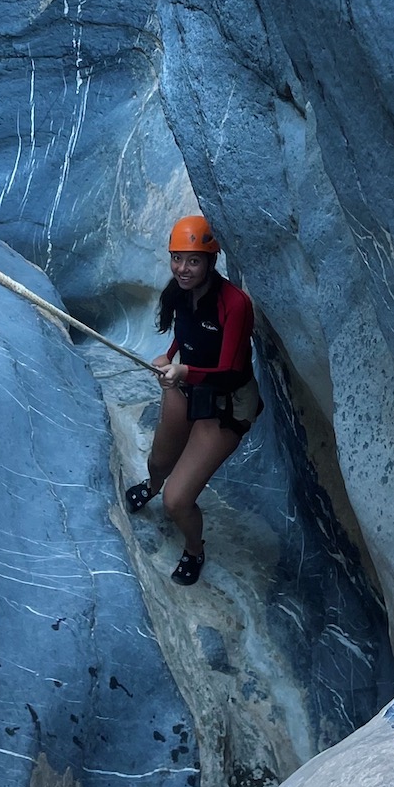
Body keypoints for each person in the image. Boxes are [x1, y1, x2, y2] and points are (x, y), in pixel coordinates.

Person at [125, 215, 261, 586]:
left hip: (226, 404)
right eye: (177, 258)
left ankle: (194, 549)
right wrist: (170, 357)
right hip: (189, 387)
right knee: (159, 460)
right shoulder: (179, 292)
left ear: (210, 261)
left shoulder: (234, 304)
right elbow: (184, 334)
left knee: (177, 500)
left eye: (193, 260)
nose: (183, 268)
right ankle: (151, 485)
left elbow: (231, 371)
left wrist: (183, 372)